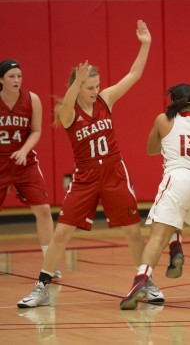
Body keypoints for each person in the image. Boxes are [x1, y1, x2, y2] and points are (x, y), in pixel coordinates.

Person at [17, 20, 163, 308]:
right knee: (62, 231)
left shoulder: (106, 99)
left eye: (97, 85)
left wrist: (145, 44)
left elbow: (134, 74)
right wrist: (75, 84)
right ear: (77, 86)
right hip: (85, 176)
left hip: (114, 172)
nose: (95, 91)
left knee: (132, 230)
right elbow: (68, 105)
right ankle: (42, 287)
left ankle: (146, 281)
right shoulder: (67, 111)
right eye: (89, 87)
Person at [120, 84, 190, 310]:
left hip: (179, 180)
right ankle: (176, 249)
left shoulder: (163, 120)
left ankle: (140, 281)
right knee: (175, 217)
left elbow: (151, 149)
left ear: (172, 101)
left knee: (156, 235)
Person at [0, 59, 61, 279]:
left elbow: (36, 131)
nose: (16, 80)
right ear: (1, 80)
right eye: (11, 76)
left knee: (44, 210)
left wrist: (24, 150)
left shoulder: (32, 99)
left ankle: (50, 263)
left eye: (19, 76)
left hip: (24, 162)